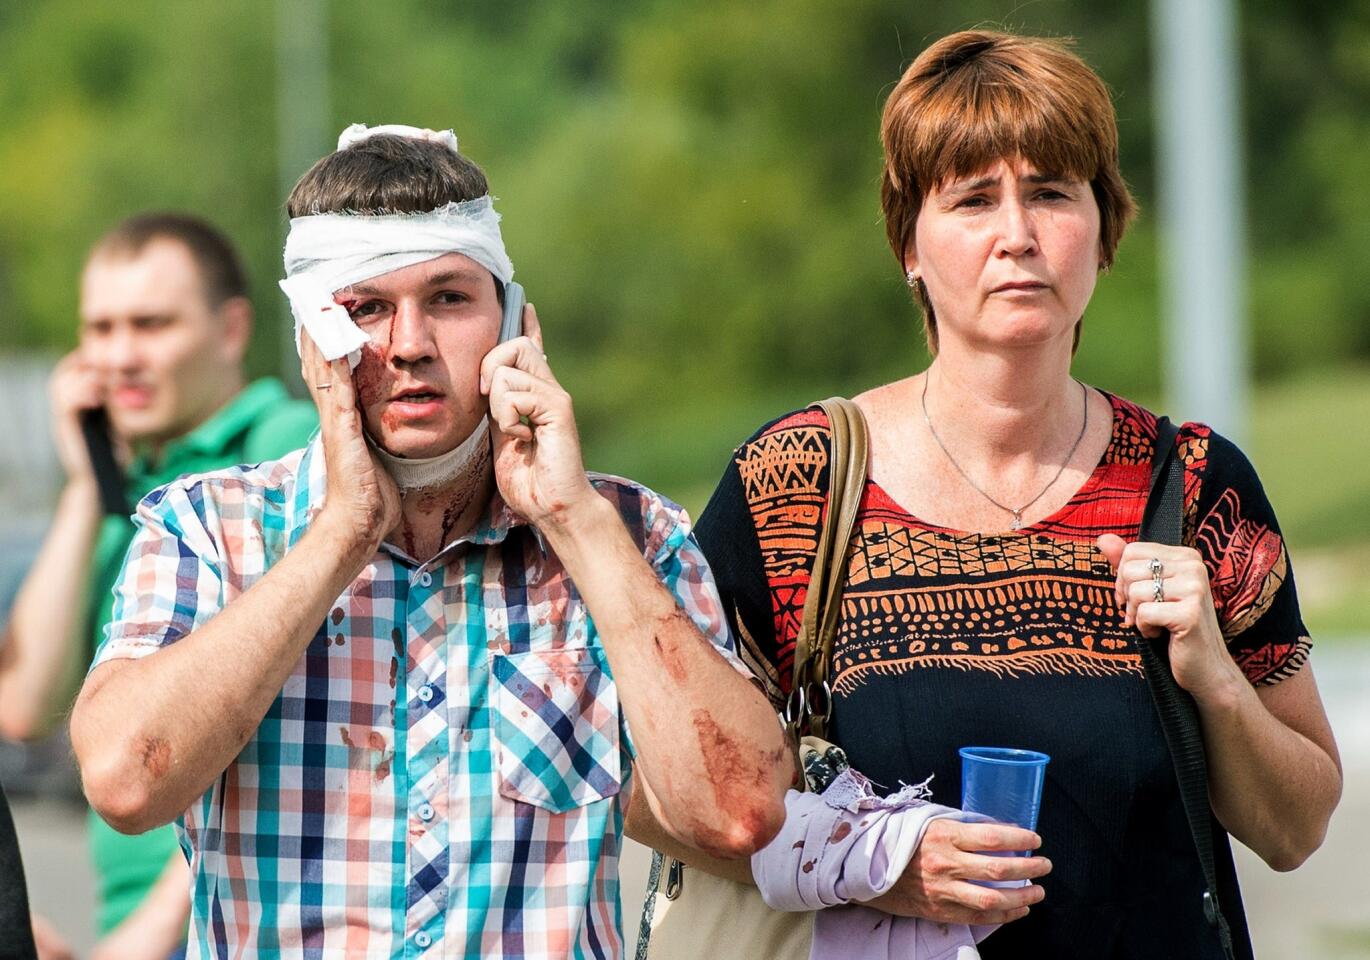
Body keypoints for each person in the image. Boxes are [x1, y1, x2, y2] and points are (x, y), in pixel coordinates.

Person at [641, 30, 1342, 959]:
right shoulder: (799, 484)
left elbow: (1297, 832)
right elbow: (658, 795)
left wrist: (1213, 676)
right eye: (974, 200)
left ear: (1104, 228)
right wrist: (874, 860)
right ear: (910, 248)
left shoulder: (1196, 484)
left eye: (1052, 193)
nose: (1018, 235)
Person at [68, 125, 790, 958]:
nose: (409, 343)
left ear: (515, 321)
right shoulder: (207, 526)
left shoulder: (627, 535)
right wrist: (342, 532)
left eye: (449, 298)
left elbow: (740, 811)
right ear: (313, 341)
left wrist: (574, 521)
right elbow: (125, 782)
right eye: (366, 309)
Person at [0, 213, 317, 957]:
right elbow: (23, 705)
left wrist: (153, 933)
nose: (119, 357)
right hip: (132, 927)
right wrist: (87, 486)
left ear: (231, 330)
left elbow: (276, 717)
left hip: (244, 916)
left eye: (150, 325)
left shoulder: (286, 451)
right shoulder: (125, 495)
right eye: (100, 329)